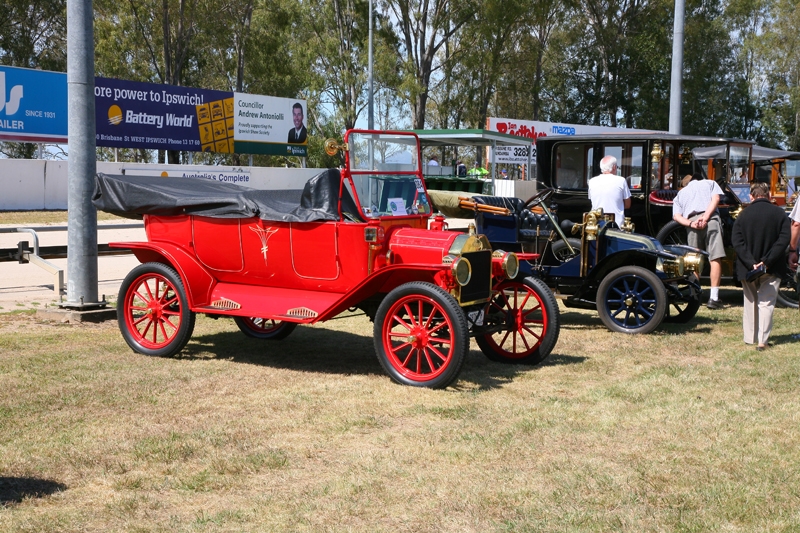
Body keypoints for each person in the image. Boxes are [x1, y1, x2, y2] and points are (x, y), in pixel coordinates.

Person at [731, 183, 791, 350]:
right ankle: (762, 341)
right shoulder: (779, 214)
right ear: (769, 195)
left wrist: (751, 262)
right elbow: (783, 240)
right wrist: (766, 261)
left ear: (751, 196)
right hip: (772, 266)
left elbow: (737, 242)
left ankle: (750, 337)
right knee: (767, 302)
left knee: (750, 300)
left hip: (747, 268)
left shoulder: (742, 215)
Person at [673, 171, 726, 309]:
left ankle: (695, 296)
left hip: (692, 223)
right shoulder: (710, 183)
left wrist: (692, 223)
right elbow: (716, 199)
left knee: (694, 260)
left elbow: (676, 216)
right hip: (711, 220)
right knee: (715, 257)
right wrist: (706, 217)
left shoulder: (681, 193)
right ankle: (714, 298)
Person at [587, 155, 631, 224]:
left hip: (596, 223)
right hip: (616, 223)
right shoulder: (621, 180)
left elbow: (593, 200)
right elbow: (627, 204)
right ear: (614, 167)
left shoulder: (591, 181)